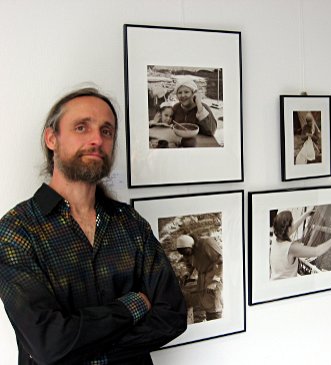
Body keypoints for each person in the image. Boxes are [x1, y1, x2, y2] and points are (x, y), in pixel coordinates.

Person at [0, 87, 187, 364]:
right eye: (81, 127)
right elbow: (47, 342)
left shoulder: (131, 223)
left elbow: (172, 315)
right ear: (52, 138)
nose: (96, 139)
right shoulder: (16, 230)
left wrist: (82, 350)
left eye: (106, 131)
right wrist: (133, 306)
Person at [270, 209, 331, 280]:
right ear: (288, 229)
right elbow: (317, 251)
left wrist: (306, 214)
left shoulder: (276, 239)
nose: (293, 224)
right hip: (286, 288)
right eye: (292, 223)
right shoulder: (291, 248)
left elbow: (291, 228)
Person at [176, 234, 222, 321]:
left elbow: (221, 261)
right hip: (202, 278)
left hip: (213, 275)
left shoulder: (206, 243)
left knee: (215, 306)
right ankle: (209, 323)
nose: (185, 256)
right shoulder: (187, 252)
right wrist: (187, 274)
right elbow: (189, 264)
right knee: (206, 305)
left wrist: (215, 281)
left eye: (187, 253)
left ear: (191, 246)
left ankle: (217, 324)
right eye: (183, 254)